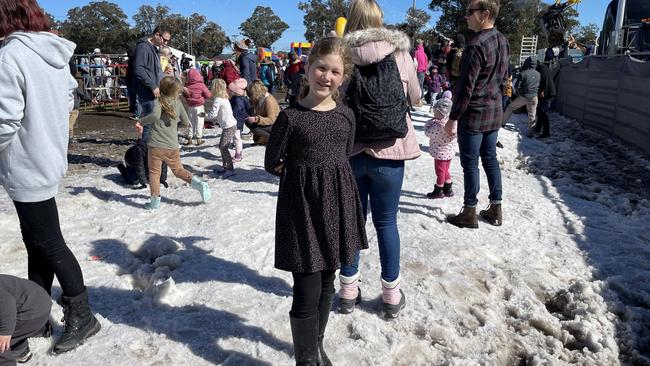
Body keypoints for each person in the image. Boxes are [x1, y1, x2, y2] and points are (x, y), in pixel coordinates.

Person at [0, 0, 101, 354]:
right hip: (44, 158)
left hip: (26, 162)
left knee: (49, 243)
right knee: (37, 241)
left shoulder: (10, 55)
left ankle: (82, 314)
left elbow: (5, 120)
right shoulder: (51, 52)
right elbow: (68, 102)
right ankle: (37, 312)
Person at [264, 36, 368, 366]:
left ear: (343, 77)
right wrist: (300, 176)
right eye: (321, 68)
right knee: (307, 290)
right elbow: (272, 161)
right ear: (308, 70)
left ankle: (317, 346)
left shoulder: (346, 115)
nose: (327, 77)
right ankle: (305, 360)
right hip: (303, 211)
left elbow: (344, 152)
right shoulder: (291, 117)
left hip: (337, 207)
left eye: (335, 72)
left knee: (327, 283)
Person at [340, 0, 421, 319]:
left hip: (353, 151)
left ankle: (347, 290)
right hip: (390, 151)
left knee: (352, 222)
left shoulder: (344, 55)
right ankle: (390, 295)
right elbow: (414, 97)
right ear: (379, 20)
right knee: (386, 222)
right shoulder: (400, 53)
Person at [444, 0, 510, 229]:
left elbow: (464, 88)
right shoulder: (502, 40)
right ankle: (495, 208)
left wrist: (453, 118)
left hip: (474, 114)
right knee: (490, 159)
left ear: (485, 14)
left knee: (470, 164)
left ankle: (469, 212)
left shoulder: (476, 45)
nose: (466, 16)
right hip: (494, 112)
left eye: (470, 12)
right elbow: (503, 77)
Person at [136, 76, 211, 209]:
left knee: (154, 173)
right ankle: (199, 184)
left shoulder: (158, 101)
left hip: (155, 145)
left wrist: (141, 121)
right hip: (172, 145)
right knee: (178, 170)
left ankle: (154, 202)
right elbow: (187, 123)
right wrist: (175, 126)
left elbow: (154, 116)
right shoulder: (178, 103)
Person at [0, 275, 52, 365]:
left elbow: (7, 305)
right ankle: (21, 351)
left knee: (1, 342)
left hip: (32, 310)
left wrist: (4, 333)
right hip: (36, 303)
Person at [132, 25, 172, 141]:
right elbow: (139, 70)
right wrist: (153, 86)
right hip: (148, 92)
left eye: (167, 41)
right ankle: (146, 153)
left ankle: (149, 153)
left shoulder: (154, 48)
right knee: (150, 123)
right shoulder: (143, 47)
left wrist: (164, 73)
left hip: (153, 91)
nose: (165, 43)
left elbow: (153, 70)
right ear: (157, 35)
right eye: (164, 39)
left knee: (153, 123)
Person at [424, 93, 456, 199]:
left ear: (442, 113)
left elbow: (428, 133)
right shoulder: (452, 124)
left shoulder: (438, 126)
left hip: (440, 153)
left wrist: (429, 123)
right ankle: (448, 188)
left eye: (436, 111)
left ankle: (439, 190)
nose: (434, 113)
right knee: (445, 170)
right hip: (449, 152)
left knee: (440, 172)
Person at [207, 79, 239, 178]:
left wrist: (204, 116)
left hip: (229, 126)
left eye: (212, 87)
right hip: (231, 125)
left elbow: (213, 115)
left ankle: (230, 168)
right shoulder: (224, 98)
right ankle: (226, 166)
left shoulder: (218, 100)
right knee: (222, 147)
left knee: (223, 147)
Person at [502, 55, 540, 137]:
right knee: (532, 115)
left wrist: (517, 93)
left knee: (510, 108)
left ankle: (502, 123)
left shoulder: (523, 73)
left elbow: (515, 86)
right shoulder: (538, 74)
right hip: (534, 97)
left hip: (524, 97)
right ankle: (531, 132)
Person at [245, 80, 280, 145]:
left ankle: (273, 139)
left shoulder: (269, 100)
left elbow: (272, 119)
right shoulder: (259, 98)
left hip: (276, 125)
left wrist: (256, 119)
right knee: (248, 122)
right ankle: (263, 139)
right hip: (267, 123)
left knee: (255, 128)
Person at [183, 68, 212, 146]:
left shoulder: (187, 85)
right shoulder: (201, 85)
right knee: (200, 122)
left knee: (190, 122)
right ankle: (199, 139)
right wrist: (202, 98)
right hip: (199, 106)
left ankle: (189, 138)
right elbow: (208, 95)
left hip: (190, 106)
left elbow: (184, 95)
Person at [228, 78, 252, 162]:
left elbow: (237, 113)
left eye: (231, 90)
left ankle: (238, 155)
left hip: (236, 121)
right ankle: (238, 154)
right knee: (237, 138)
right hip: (238, 121)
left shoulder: (237, 101)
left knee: (237, 138)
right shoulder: (242, 98)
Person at [533, 59, 556, 138]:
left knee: (542, 112)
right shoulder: (543, 67)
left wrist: (542, 90)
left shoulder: (542, 68)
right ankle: (537, 129)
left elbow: (544, 80)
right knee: (540, 111)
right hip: (547, 93)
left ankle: (546, 132)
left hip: (548, 94)